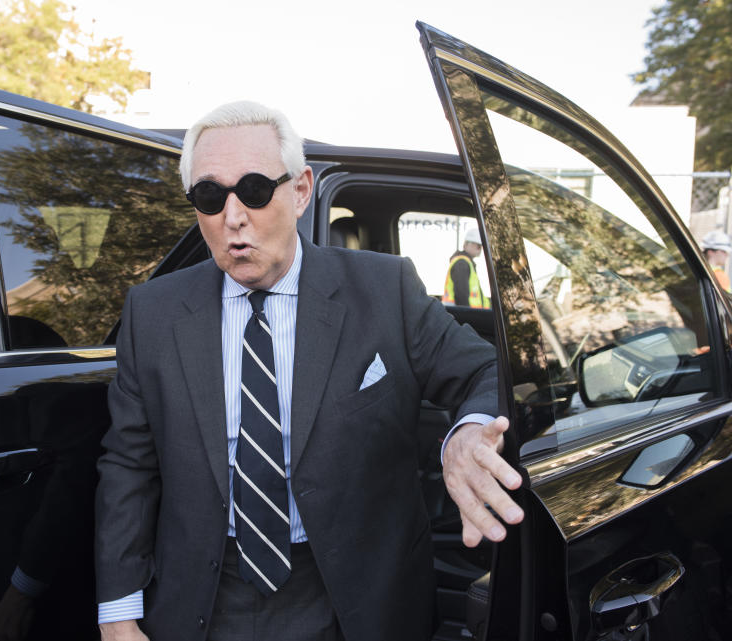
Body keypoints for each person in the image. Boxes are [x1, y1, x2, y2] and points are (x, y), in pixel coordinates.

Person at [95, 101, 524, 641]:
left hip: (356, 596)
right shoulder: (153, 312)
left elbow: (484, 369)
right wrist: (117, 610)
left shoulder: (384, 290)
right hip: (206, 597)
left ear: (300, 190)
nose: (233, 217)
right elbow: (129, 466)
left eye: (254, 190)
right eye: (210, 196)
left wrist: (466, 434)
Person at [442, 227, 489, 308]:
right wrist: (467, 315)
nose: (480, 249)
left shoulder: (466, 263)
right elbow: (461, 294)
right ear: (466, 244)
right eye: (478, 246)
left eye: (481, 247)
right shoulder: (461, 264)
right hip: (463, 316)